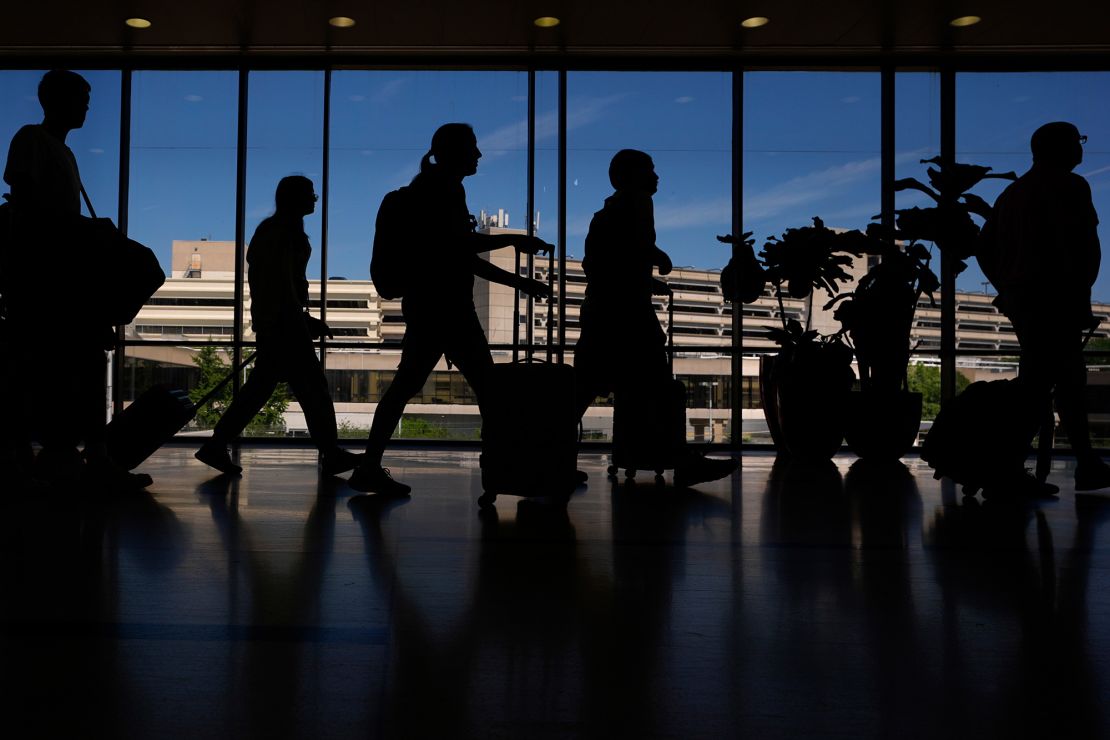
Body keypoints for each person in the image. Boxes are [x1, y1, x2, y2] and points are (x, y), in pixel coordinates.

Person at [348, 123, 553, 495]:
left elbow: (456, 253)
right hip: (448, 309)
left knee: (406, 387)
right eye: (472, 148)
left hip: (430, 307)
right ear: (454, 152)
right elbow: (459, 247)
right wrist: (513, 242)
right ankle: (503, 470)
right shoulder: (442, 190)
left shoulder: (430, 189)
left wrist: (518, 279)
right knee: (487, 392)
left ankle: (370, 465)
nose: (478, 155)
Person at [3, 69, 150, 491]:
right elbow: (28, 208)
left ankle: (43, 460)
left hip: (50, 276)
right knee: (57, 368)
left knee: (61, 368)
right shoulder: (34, 140)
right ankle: (63, 460)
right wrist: (85, 229)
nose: (87, 107)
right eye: (81, 99)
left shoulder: (55, 150)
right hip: (43, 278)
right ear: (57, 101)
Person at [574, 149, 737, 488]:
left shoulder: (607, 213)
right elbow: (631, 249)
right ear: (631, 176)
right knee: (657, 385)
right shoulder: (636, 203)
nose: (656, 176)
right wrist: (655, 256)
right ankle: (676, 457)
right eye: (649, 170)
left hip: (604, 312)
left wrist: (645, 276)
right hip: (625, 315)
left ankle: (546, 454)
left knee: (587, 387)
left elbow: (603, 264)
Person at [195, 176, 361, 477]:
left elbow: (276, 286)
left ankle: (217, 445)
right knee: (313, 391)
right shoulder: (280, 234)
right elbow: (282, 287)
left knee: (260, 392)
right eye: (310, 193)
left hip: (278, 325)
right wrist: (302, 321)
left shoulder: (275, 232)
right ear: (294, 198)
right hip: (285, 327)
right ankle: (331, 453)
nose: (315, 198)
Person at [979, 121, 1110, 492]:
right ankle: (1018, 468)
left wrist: (1008, 286)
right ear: (1062, 148)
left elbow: (984, 246)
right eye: (1077, 141)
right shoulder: (1071, 186)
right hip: (1058, 299)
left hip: (1027, 300)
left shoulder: (1013, 193)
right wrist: (1081, 292)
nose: (1081, 148)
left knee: (1044, 380)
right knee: (1059, 381)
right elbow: (1083, 247)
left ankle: (1023, 466)